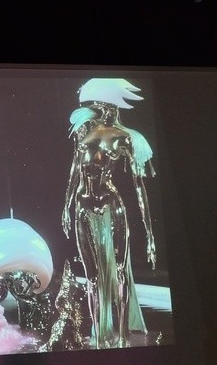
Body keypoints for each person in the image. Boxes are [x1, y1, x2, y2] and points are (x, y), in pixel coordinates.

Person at [62, 78, 156, 348]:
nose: (107, 111)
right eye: (104, 106)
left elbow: (139, 187)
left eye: (109, 106)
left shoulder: (123, 137)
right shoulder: (84, 133)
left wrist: (149, 234)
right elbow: (75, 172)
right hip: (83, 206)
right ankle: (101, 335)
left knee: (120, 270)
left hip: (110, 204)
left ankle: (123, 334)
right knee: (93, 277)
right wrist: (66, 206)